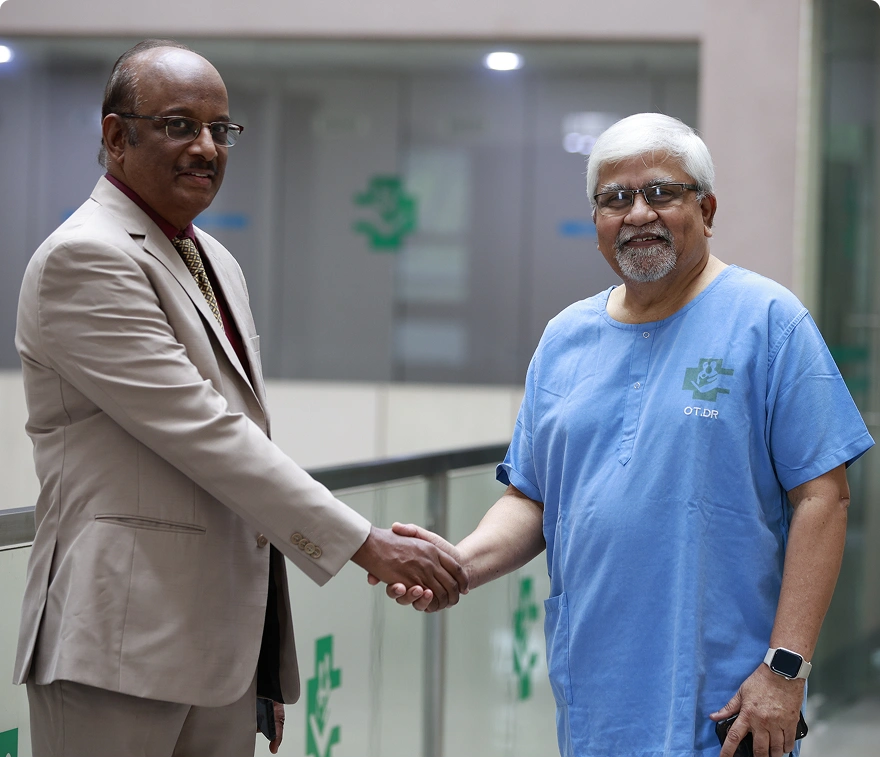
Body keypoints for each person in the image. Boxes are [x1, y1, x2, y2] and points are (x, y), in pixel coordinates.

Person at [13, 39, 466, 759]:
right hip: (117, 647)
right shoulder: (86, 256)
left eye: (220, 130)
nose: (206, 147)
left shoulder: (210, 256)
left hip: (217, 655)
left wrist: (260, 657)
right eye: (178, 125)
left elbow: (237, 455)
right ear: (114, 136)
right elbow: (207, 434)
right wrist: (364, 544)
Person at [376, 113, 874, 758]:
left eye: (661, 192)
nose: (637, 212)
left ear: (708, 207)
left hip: (729, 699)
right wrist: (459, 566)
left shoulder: (769, 321)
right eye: (615, 199)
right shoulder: (564, 339)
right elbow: (532, 497)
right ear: (596, 223)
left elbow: (823, 499)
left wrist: (785, 669)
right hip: (597, 695)